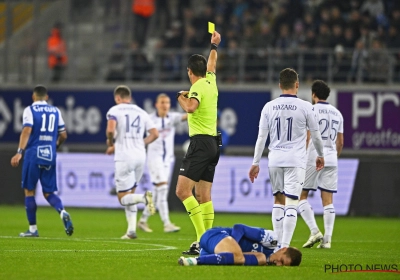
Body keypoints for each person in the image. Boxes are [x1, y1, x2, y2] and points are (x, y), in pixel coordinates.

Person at [248, 68, 325, 249]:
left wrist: (255, 163)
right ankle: (284, 247)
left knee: (277, 201)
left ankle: (277, 247)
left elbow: (261, 138)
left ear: (280, 85)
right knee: (292, 202)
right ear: (297, 85)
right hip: (295, 160)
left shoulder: (268, 106)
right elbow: (316, 136)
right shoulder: (306, 107)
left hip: (274, 159)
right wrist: (320, 155)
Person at [175, 31, 222, 255]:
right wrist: (214, 46)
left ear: (189, 72)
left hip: (201, 143)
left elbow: (191, 108)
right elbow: (212, 64)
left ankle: (202, 240)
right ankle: (207, 242)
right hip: (214, 143)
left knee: (182, 191)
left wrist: (181, 98)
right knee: (204, 195)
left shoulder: (196, 88)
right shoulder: (211, 81)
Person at [10, 85, 73, 237]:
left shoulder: (29, 110)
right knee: (48, 192)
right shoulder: (56, 111)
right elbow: (63, 135)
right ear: (46, 97)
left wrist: (19, 152)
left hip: (33, 154)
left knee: (29, 191)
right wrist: (55, 146)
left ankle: (33, 230)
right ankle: (62, 211)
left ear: (33, 97)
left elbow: (26, 130)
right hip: (49, 155)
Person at [105, 85, 158, 239]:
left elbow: (110, 130)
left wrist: (110, 141)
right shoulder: (141, 112)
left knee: (123, 198)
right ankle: (131, 231)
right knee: (130, 193)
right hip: (141, 156)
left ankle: (144, 198)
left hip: (124, 157)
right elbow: (154, 134)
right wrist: (142, 143)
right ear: (129, 97)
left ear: (117, 98)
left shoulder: (114, 110)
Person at [298, 80, 344, 249]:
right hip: (332, 158)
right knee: (328, 200)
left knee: (300, 196)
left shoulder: (311, 110)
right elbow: (340, 142)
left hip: (314, 157)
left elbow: (308, 137)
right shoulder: (337, 113)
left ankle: (314, 231)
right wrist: (334, 157)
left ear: (313, 94)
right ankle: (327, 240)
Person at [138, 93, 187, 233]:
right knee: (163, 189)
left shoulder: (172, 118)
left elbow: (188, 115)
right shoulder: (150, 120)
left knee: (157, 192)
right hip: (154, 159)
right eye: (162, 102)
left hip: (168, 160)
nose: (165, 105)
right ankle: (167, 223)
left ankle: (143, 220)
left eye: (167, 102)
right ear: (156, 104)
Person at [178, 224, 302, 266]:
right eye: (281, 260)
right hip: (215, 235)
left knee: (260, 258)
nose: (278, 264)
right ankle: (194, 261)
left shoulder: (265, 258)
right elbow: (239, 227)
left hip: (211, 251)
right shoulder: (271, 240)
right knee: (239, 257)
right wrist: (233, 246)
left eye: (282, 265)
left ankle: (205, 257)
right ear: (283, 249)